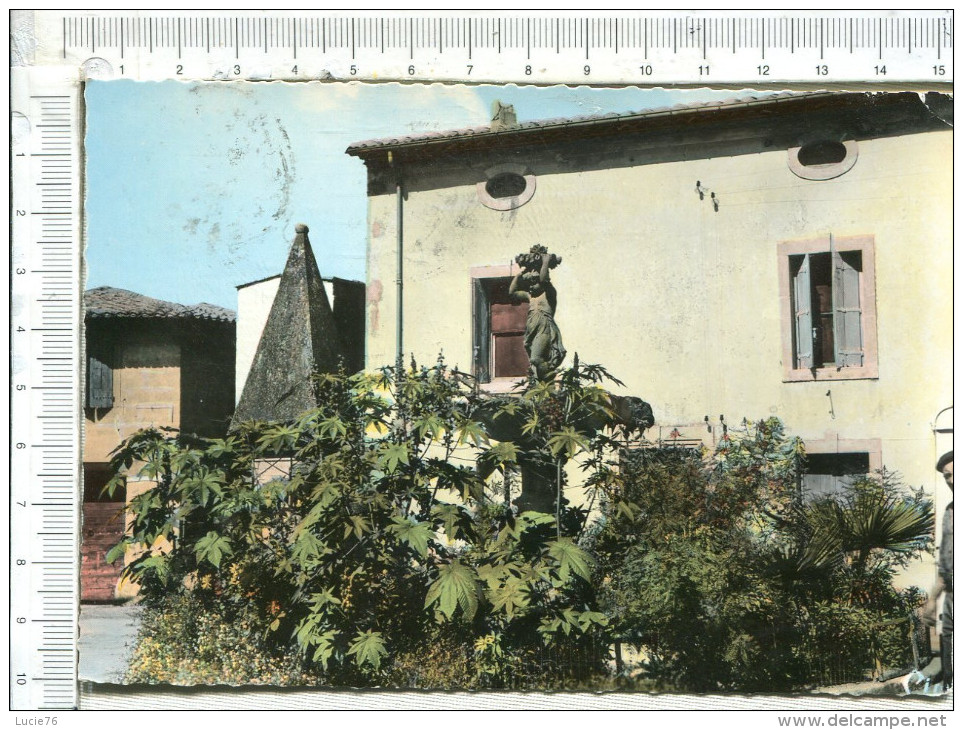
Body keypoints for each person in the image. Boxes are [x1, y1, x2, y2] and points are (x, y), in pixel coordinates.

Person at [509, 245, 566, 381]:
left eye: (533, 283)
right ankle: (543, 381)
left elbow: (544, 279)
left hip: (544, 328)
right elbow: (512, 292)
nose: (530, 286)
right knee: (535, 362)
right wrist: (520, 275)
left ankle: (548, 377)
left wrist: (545, 262)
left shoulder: (549, 293)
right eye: (528, 284)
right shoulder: (530, 296)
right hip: (532, 329)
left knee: (536, 358)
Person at [924, 450, 953, 689]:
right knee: (948, 646)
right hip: (953, 596)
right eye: (947, 476)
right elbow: (945, 563)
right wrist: (932, 599)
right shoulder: (950, 512)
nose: (951, 480)